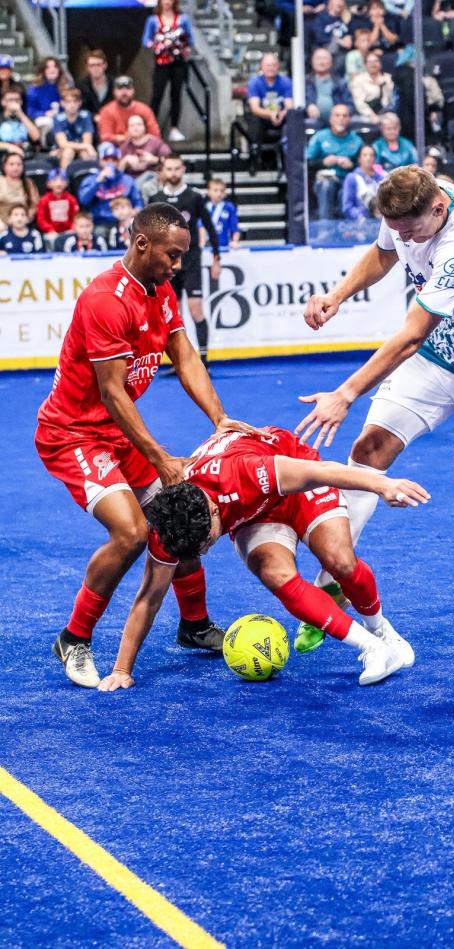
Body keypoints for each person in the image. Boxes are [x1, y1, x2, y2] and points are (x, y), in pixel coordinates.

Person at [294, 166, 454, 673]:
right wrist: (337, 295)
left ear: (437, 207)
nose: (404, 238)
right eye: (397, 227)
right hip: (439, 355)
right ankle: (335, 585)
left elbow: (410, 335)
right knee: (368, 454)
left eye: (411, 229)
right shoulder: (408, 205)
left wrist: (346, 394)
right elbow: (384, 253)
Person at [35, 203, 254, 689]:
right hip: (72, 434)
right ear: (141, 244)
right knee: (132, 533)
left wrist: (219, 418)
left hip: (116, 433)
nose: (178, 266)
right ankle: (74, 637)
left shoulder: (160, 291)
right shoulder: (105, 301)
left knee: (180, 513)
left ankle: (194, 625)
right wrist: (159, 456)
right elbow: (113, 393)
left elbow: (184, 355)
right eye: (172, 256)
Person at [97, 426, 427, 691]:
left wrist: (383, 485)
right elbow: (149, 598)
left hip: (292, 483)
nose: (208, 550)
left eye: (208, 541)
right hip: (252, 513)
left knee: (339, 561)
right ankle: (372, 647)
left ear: (213, 511)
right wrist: (121, 670)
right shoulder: (172, 521)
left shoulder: (246, 472)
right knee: (275, 574)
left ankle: (382, 630)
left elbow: (323, 471)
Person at [149, 153, 221, 365]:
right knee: (174, 315)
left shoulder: (194, 197)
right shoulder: (155, 199)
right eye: (169, 169)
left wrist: (217, 258)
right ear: (163, 171)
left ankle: (204, 360)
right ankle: (182, 363)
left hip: (190, 262)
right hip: (165, 265)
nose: (173, 173)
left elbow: (209, 227)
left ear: (183, 170)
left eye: (176, 168)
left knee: (195, 307)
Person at [142, 0, 194, 143]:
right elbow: (145, 40)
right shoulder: (153, 20)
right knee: (157, 95)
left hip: (178, 63)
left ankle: (174, 127)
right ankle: (150, 129)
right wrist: (157, 44)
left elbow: (190, 39)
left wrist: (184, 46)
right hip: (161, 63)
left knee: (176, 95)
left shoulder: (183, 19)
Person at [307, 103, 363, 219]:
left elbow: (365, 165)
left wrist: (352, 165)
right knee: (327, 186)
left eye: (344, 116)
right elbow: (306, 163)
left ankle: (351, 230)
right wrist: (323, 163)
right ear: (331, 119)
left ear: (349, 119)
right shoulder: (320, 137)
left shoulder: (357, 140)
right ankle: (325, 227)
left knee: (348, 190)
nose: (341, 119)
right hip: (325, 179)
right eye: (337, 115)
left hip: (347, 179)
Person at [78, 143, 143, 231]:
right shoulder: (91, 179)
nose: (110, 163)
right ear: (100, 161)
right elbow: (83, 201)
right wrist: (98, 181)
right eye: (106, 159)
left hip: (123, 221)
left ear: (118, 162)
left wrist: (133, 212)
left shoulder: (127, 179)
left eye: (114, 160)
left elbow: (138, 203)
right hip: (100, 222)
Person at [246, 53, 294, 170]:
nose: (271, 68)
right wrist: (270, 114)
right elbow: (255, 108)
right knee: (254, 121)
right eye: (268, 65)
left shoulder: (286, 82)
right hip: (262, 117)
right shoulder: (255, 82)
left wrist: (281, 114)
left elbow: (289, 105)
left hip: (281, 117)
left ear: (278, 67)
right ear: (261, 66)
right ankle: (254, 158)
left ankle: (288, 160)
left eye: (274, 65)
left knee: (292, 119)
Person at [119, 114, 171, 203]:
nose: (136, 128)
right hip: (132, 180)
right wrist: (125, 161)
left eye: (139, 124)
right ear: (128, 129)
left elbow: (171, 160)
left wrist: (153, 160)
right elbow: (117, 172)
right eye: (132, 125)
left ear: (144, 127)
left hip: (152, 179)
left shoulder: (155, 142)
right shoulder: (124, 146)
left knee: (147, 179)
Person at [98, 76, 161, 147]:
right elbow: (104, 137)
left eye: (128, 88)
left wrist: (141, 139)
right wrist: (126, 138)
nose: (124, 92)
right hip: (116, 147)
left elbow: (155, 135)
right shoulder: (107, 110)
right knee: (105, 146)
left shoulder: (144, 110)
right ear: (114, 92)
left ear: (133, 91)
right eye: (120, 89)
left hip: (142, 146)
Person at [305, 48, 354, 126]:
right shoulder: (305, 82)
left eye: (324, 58)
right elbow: (298, 103)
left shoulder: (341, 83)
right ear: (312, 62)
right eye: (318, 58)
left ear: (331, 62)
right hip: (313, 121)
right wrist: (308, 105)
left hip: (337, 123)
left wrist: (341, 112)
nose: (321, 62)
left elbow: (350, 105)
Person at [52, 87, 97, 170]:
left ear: (80, 103)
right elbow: (63, 143)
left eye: (75, 101)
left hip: (82, 149)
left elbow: (87, 141)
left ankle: (87, 177)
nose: (72, 105)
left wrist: (87, 147)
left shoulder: (86, 116)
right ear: (62, 103)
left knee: (86, 153)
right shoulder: (58, 118)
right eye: (68, 102)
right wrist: (87, 146)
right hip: (63, 150)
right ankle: (64, 178)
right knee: (68, 151)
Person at [26, 57, 68, 140]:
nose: (52, 70)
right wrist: (45, 114)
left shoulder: (67, 86)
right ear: (43, 71)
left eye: (55, 67)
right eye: (48, 67)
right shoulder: (34, 89)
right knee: (46, 123)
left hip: (64, 119)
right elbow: (30, 111)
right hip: (44, 121)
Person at [36, 169, 79, 247]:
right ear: (48, 183)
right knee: (50, 240)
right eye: (55, 180)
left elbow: (75, 217)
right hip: (51, 232)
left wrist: (72, 229)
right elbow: (41, 219)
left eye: (62, 180)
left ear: (66, 183)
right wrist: (50, 230)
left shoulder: (71, 199)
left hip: (68, 231)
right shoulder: (44, 200)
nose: (59, 183)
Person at [349, 50, 395, 122]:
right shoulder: (358, 80)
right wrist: (371, 115)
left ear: (380, 64)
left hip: (385, 112)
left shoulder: (388, 78)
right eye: (370, 62)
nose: (373, 64)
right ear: (365, 65)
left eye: (376, 61)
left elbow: (392, 99)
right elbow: (359, 103)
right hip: (365, 114)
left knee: (393, 120)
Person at [342, 144, 385, 219]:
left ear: (374, 159)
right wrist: (359, 215)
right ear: (359, 158)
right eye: (365, 155)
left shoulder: (381, 177)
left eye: (371, 155)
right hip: (361, 219)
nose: (368, 158)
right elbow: (347, 207)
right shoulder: (352, 178)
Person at [0, 152, 38, 226]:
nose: (15, 167)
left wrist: (26, 219)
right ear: (4, 166)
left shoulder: (28, 183)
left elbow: (35, 205)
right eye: (11, 164)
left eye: (19, 164)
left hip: (22, 222)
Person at [0, 87, 40, 158]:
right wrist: (9, 146)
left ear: (21, 102)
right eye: (10, 100)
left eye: (17, 100)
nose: (14, 103)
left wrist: (20, 113)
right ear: (3, 102)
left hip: (26, 155)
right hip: (4, 157)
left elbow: (36, 137)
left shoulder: (27, 118)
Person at [204, 177, 241, 251]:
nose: (219, 193)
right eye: (215, 190)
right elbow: (200, 227)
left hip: (224, 246)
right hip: (207, 246)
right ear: (209, 192)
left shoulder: (229, 207)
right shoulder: (204, 207)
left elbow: (235, 227)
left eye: (222, 191)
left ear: (225, 193)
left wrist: (235, 241)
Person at [77, 49, 114, 119]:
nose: (95, 68)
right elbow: (80, 109)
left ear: (105, 65)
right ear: (87, 68)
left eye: (98, 65)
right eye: (92, 65)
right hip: (89, 124)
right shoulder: (81, 86)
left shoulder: (114, 83)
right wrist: (94, 117)